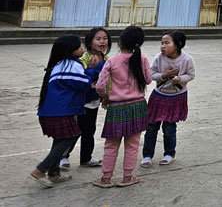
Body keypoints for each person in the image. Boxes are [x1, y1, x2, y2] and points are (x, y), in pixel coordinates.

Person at [94, 25, 152, 188]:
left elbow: (100, 86)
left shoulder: (112, 61)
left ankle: (106, 179)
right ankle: (127, 177)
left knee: (111, 144)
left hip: (117, 106)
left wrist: (106, 96)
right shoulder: (142, 59)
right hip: (138, 106)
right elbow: (148, 80)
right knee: (132, 144)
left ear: (120, 43)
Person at [29, 36, 91, 187]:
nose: (82, 48)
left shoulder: (60, 64)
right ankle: (40, 169)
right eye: (79, 46)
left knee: (59, 140)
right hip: (60, 112)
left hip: (52, 112)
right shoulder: (71, 65)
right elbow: (83, 84)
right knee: (71, 137)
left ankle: (54, 173)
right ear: (71, 50)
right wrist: (93, 70)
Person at [141, 31, 195, 168]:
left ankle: (170, 154)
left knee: (169, 127)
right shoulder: (159, 58)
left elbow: (191, 74)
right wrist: (164, 75)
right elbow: (151, 74)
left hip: (177, 97)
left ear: (178, 44)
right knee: (151, 127)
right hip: (159, 96)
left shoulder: (187, 59)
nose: (163, 46)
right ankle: (147, 155)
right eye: (162, 43)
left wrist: (181, 79)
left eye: (167, 43)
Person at [61, 27, 110, 170]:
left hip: (94, 101)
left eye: (105, 38)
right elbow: (80, 80)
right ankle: (63, 156)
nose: (102, 42)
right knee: (75, 130)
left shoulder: (107, 59)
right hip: (80, 102)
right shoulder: (83, 58)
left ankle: (86, 158)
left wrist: (106, 96)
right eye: (98, 39)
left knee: (89, 130)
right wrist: (89, 68)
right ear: (89, 41)